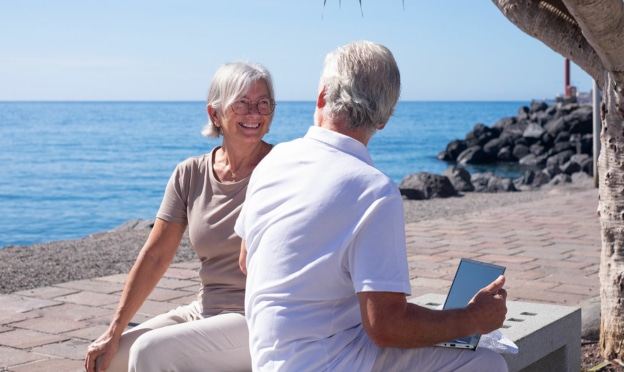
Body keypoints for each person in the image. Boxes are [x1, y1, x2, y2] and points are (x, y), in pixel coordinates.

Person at [235, 40, 509, 371]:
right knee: (486, 363)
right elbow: (386, 327)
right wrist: (472, 319)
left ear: (322, 97)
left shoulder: (274, 159)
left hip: (269, 359)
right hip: (328, 363)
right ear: (384, 119)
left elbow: (248, 260)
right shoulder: (374, 190)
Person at [85, 61, 275, 372]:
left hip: (258, 319)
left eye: (263, 102)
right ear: (215, 113)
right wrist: (114, 329)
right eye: (242, 102)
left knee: (151, 352)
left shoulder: (283, 169)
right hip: (205, 309)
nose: (254, 112)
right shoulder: (190, 173)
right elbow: (156, 255)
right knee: (108, 360)